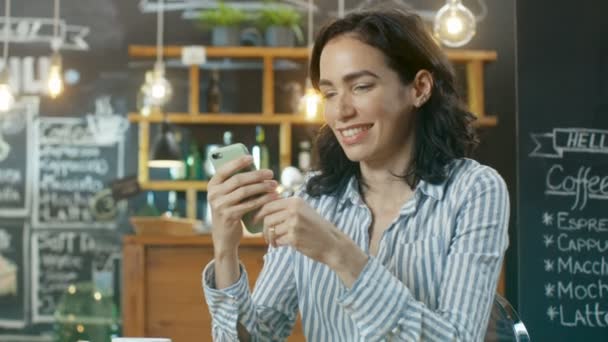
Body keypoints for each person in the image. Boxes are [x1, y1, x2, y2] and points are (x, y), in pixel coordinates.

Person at [202, 6, 509, 342]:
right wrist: (224, 251)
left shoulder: (474, 191)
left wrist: (339, 253)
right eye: (329, 93)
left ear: (419, 88)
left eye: (361, 87)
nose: (342, 111)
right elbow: (258, 337)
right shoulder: (313, 202)